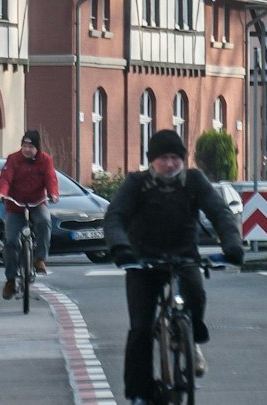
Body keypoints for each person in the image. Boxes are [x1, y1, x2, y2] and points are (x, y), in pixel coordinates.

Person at [103, 129, 243, 405]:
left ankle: (189, 339)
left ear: (183, 159)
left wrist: (232, 244)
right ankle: (139, 395)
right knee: (141, 330)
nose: (170, 164)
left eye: (175, 158)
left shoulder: (194, 181)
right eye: (163, 158)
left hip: (183, 257)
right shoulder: (137, 184)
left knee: (195, 291)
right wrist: (121, 248)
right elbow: (115, 216)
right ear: (152, 161)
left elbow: (219, 212)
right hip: (143, 260)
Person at [0, 129, 58, 299]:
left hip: (37, 203)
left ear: (37, 148)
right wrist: (1, 193)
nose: (27, 149)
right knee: (10, 241)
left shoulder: (45, 160)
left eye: (30, 146)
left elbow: (50, 178)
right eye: (24, 146)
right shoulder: (13, 159)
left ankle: (40, 259)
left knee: (45, 221)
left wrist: (53, 194)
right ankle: (10, 280)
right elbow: (5, 179)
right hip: (16, 205)